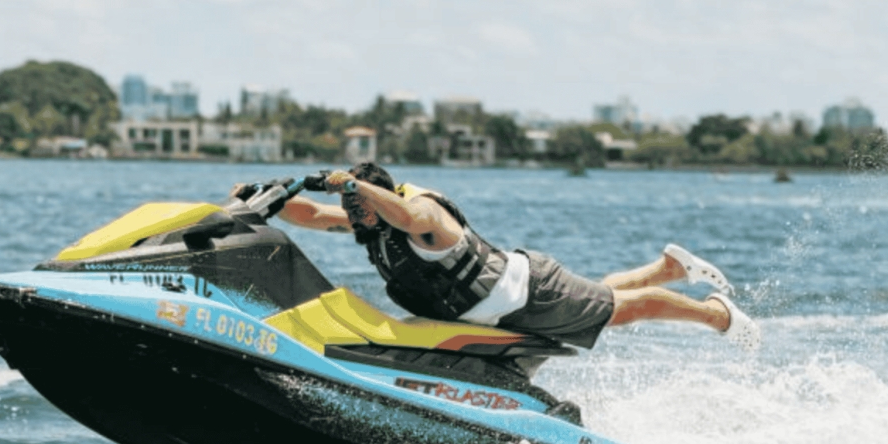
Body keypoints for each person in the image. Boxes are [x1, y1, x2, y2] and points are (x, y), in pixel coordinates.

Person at [242, 162, 759, 352]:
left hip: (524, 293)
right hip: (492, 312)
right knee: (603, 295)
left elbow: (404, 215)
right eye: (349, 209)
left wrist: (355, 185)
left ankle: (718, 315)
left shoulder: (422, 216)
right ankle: (668, 268)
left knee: (624, 311)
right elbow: (311, 216)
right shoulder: (365, 222)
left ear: (379, 196)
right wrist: (267, 194)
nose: (352, 216)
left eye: (359, 205)